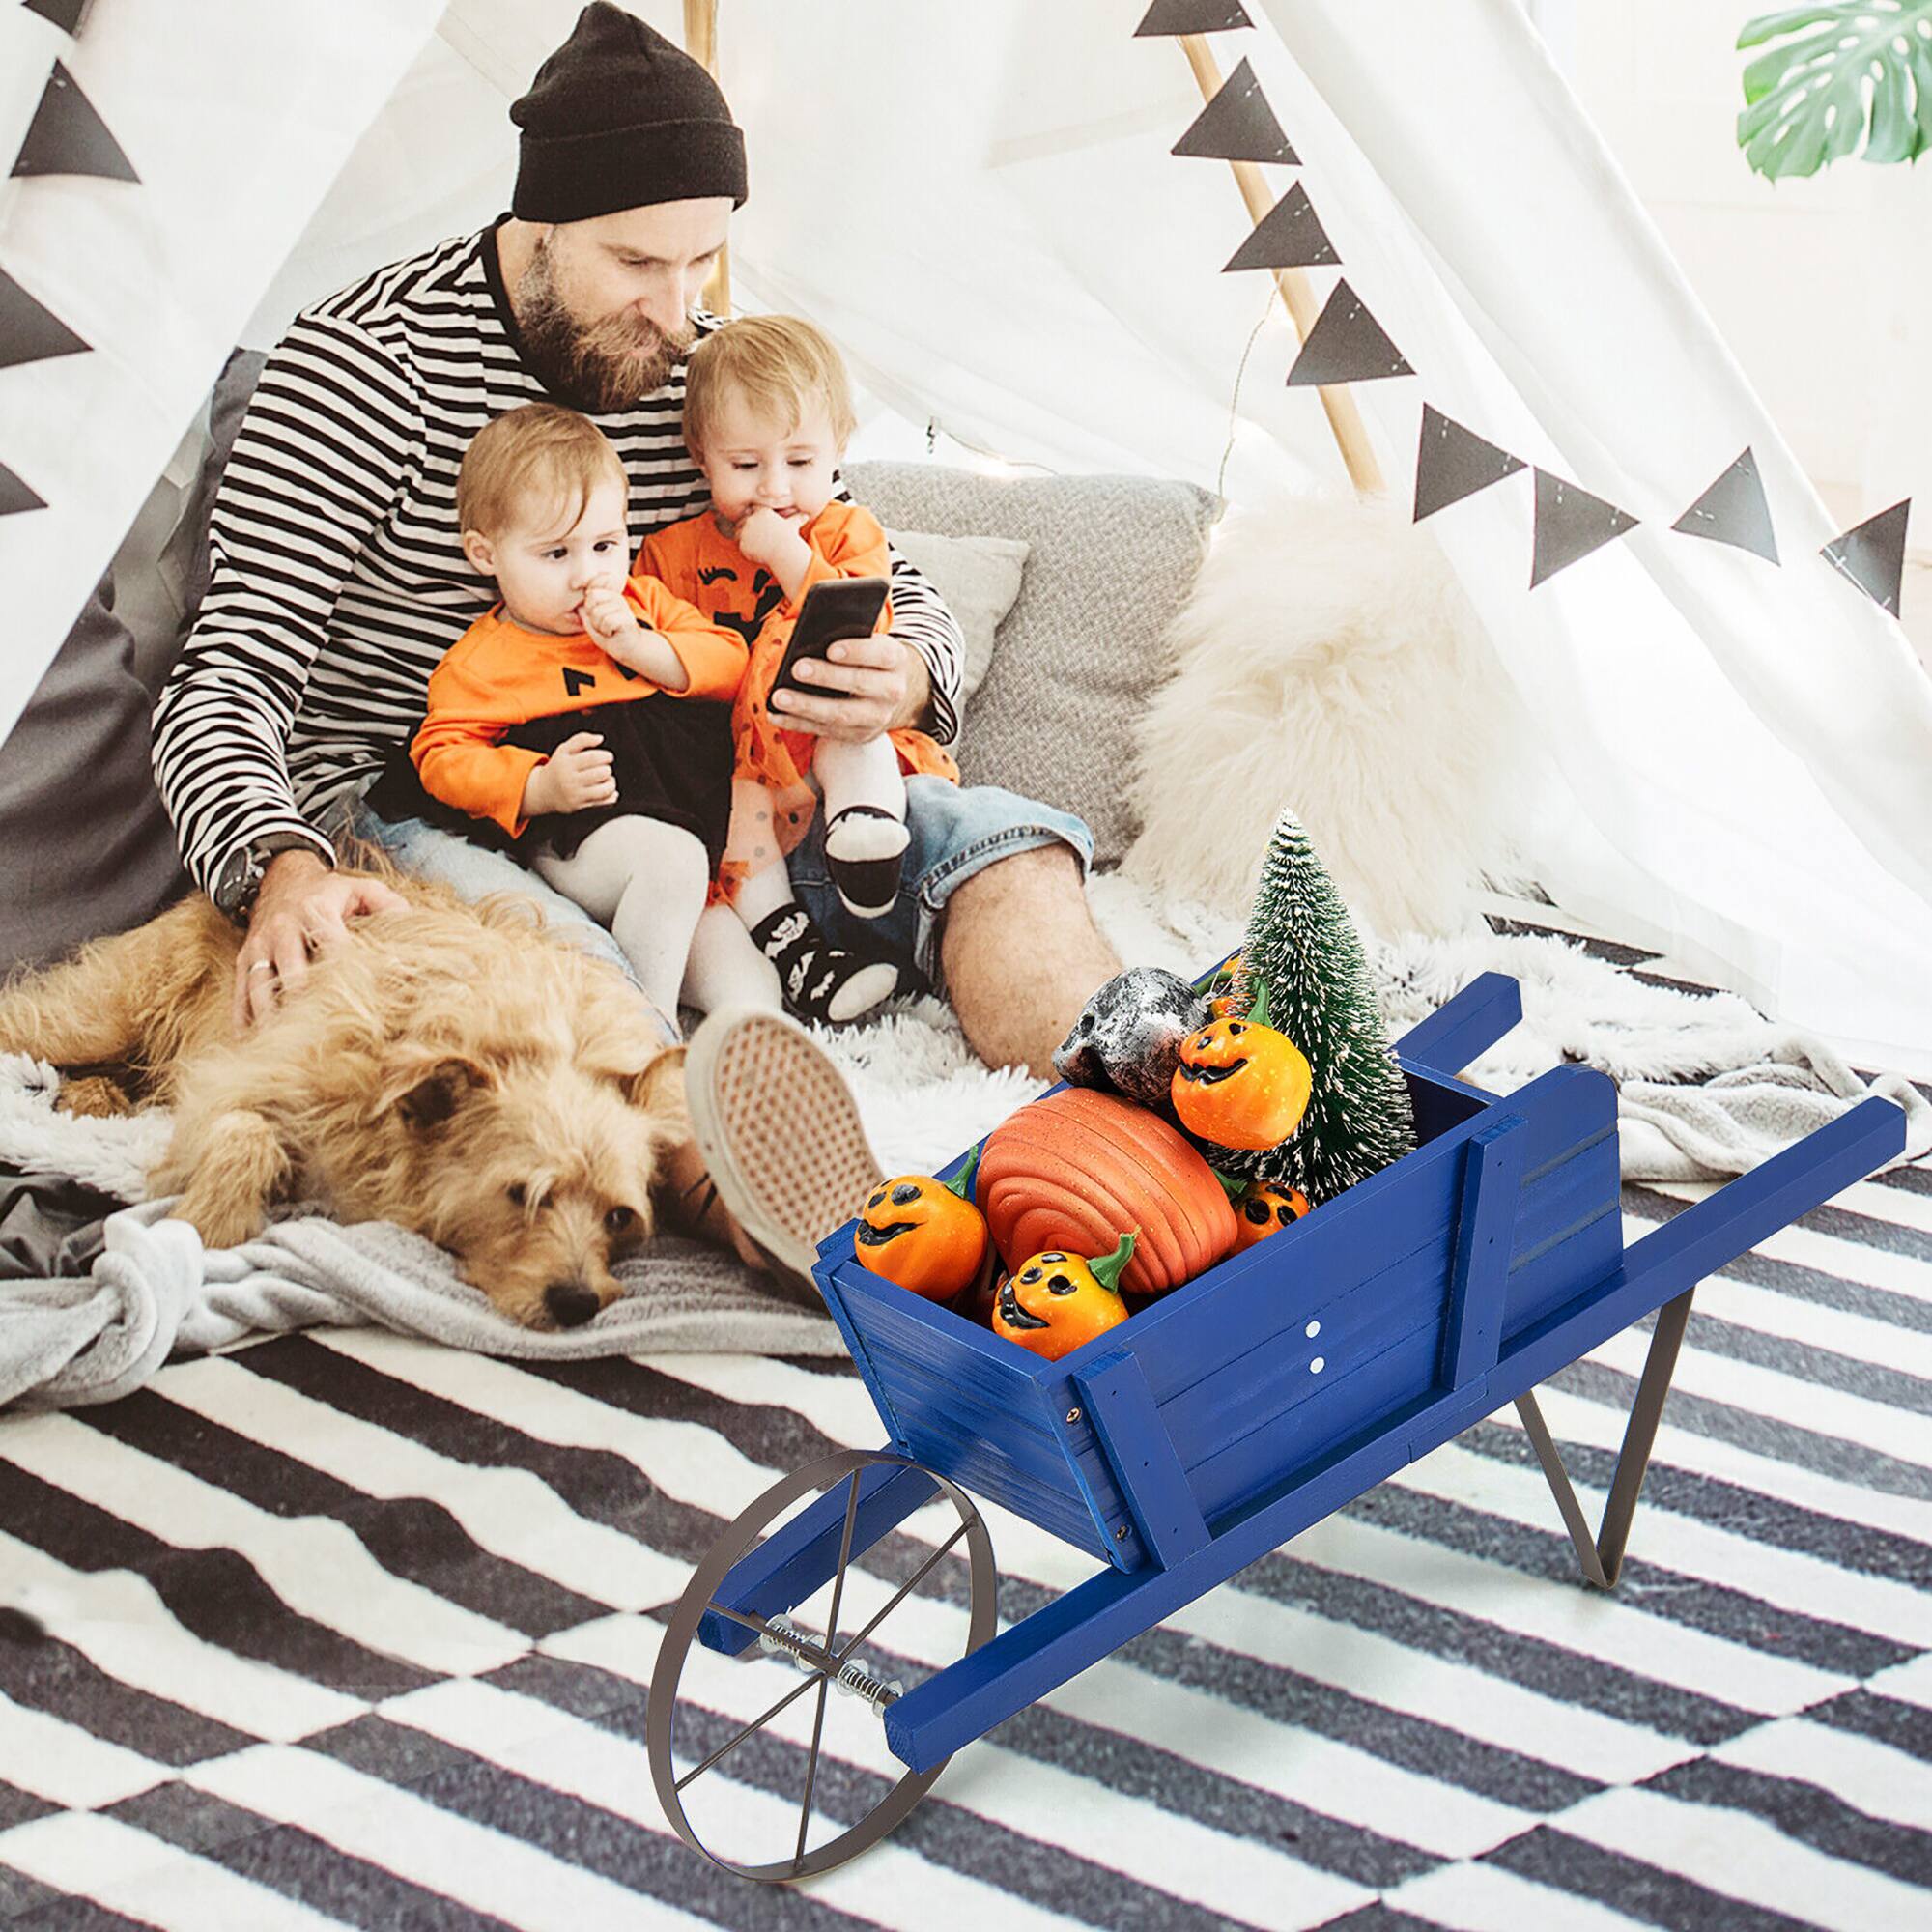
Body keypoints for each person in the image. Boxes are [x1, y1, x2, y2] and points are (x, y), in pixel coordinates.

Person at [152, 1, 1119, 1261]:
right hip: (439, 814)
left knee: (995, 846)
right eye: (638, 264)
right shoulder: (360, 370)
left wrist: (905, 674)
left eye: (701, 262)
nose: (676, 308)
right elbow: (226, 679)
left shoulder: (700, 375)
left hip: (718, 800)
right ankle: (829, 1247)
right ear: (540, 224)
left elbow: (880, 567)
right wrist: (277, 866)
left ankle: (1136, 1124)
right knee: (563, 985)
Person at [643, 314, 957, 1022]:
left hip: (829, 742)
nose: (774, 488)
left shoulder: (848, 531)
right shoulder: (671, 555)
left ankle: (865, 840)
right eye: (745, 466)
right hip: (739, 768)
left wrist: (787, 555)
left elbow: (869, 625)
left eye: (800, 462)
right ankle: (804, 962)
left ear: (838, 450)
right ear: (701, 456)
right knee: (735, 838)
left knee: (856, 734)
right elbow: (664, 658)